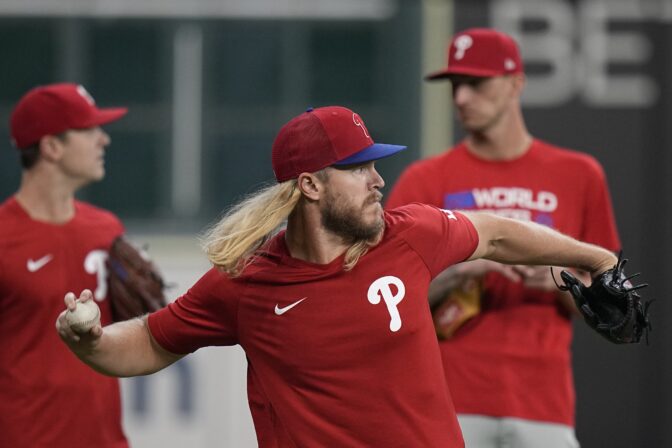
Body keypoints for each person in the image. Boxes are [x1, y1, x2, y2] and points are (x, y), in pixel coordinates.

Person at [57, 105, 619, 448]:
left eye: (376, 164)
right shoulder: (249, 282)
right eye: (358, 168)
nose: (378, 180)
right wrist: (91, 340)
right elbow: (151, 342)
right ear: (309, 186)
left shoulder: (410, 235)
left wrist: (595, 259)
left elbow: (494, 232)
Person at [386, 28, 620, 448]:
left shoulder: (579, 175)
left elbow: (607, 301)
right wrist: (462, 270)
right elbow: (384, 295)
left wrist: (555, 278)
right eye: (456, 86)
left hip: (542, 403)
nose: (460, 98)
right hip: (446, 400)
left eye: (475, 84)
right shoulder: (425, 179)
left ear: (516, 83)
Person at [0, 83, 129, 447]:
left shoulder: (107, 229)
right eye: (89, 130)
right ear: (51, 147)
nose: (103, 140)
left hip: (105, 439)